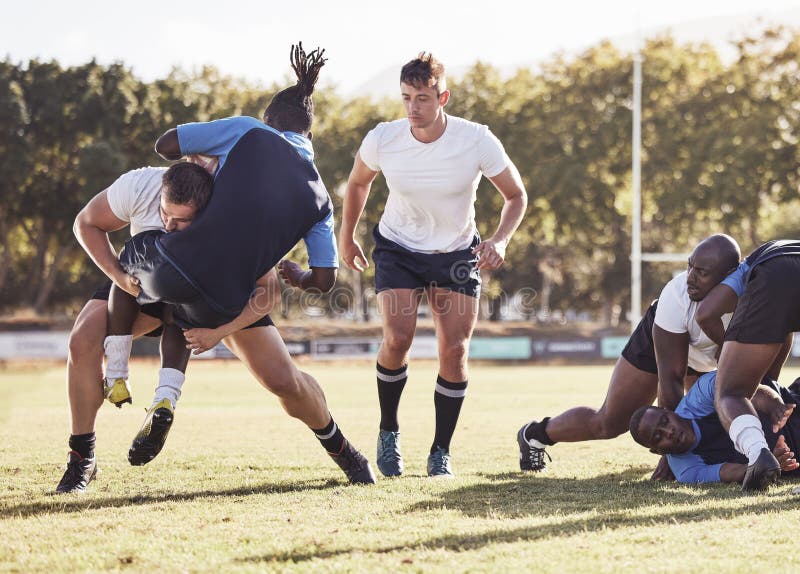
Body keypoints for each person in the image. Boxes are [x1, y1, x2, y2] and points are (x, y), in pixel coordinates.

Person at [151, 43, 376, 485]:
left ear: (269, 122)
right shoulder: (321, 201)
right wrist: (298, 275)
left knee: (104, 327)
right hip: (236, 296)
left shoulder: (246, 130)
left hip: (172, 270)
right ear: (309, 138)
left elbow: (165, 145)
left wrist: (205, 164)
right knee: (287, 384)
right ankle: (348, 456)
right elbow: (326, 280)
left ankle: (97, 440)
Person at [340, 52, 528, 478]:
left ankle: (440, 451)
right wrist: (345, 234)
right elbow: (357, 182)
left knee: (455, 351)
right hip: (398, 249)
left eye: (422, 98)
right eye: (406, 97)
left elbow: (516, 195)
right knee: (398, 339)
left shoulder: (476, 139)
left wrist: (500, 240)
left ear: (443, 97)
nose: (413, 108)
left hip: (458, 253)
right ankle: (389, 434)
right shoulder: (383, 138)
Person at [58, 161, 233, 492]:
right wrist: (119, 278)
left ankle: (164, 400)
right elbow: (85, 223)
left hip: (190, 292)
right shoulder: (141, 185)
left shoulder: (225, 202)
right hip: (136, 284)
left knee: (281, 378)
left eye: (182, 220)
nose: (170, 224)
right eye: (166, 214)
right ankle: (82, 458)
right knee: (81, 342)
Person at [516, 235, 741, 476]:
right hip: (664, 348)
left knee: (719, 415)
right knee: (609, 423)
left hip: (706, 359)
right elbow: (670, 379)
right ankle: (536, 434)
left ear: (729, 275)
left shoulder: (752, 295)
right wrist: (670, 457)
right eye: (689, 266)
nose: (690, 277)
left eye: (702, 272)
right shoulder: (677, 295)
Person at [712, 239, 800, 490]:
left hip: (776, 271)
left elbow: (706, 313)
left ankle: (758, 454)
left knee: (730, 392)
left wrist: (727, 346)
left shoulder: (746, 266)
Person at [629, 372, 798, 485]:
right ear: (658, 452)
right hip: (793, 455)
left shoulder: (698, 396)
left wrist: (775, 405)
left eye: (665, 421)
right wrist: (769, 466)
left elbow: (743, 390)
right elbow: (734, 472)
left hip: (791, 407)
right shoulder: (686, 471)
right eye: (659, 437)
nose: (669, 431)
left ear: (670, 412)